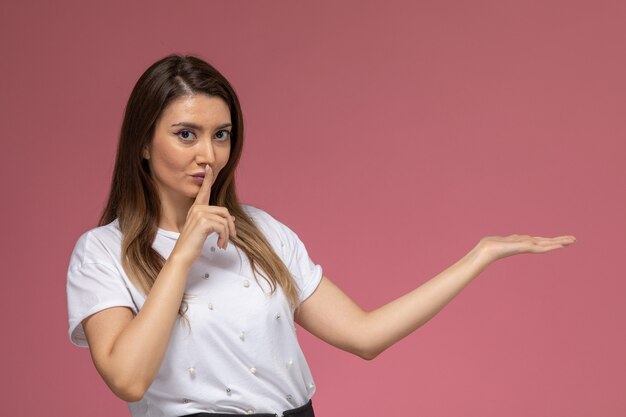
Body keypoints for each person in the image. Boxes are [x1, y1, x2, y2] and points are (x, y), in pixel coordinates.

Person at [66, 54, 576, 417]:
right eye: (186, 134)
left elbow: (365, 336)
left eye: (221, 134)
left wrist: (479, 256)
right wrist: (180, 257)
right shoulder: (102, 253)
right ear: (143, 144)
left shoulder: (262, 233)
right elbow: (128, 379)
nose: (209, 155)